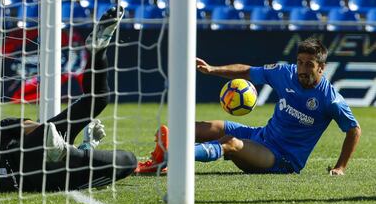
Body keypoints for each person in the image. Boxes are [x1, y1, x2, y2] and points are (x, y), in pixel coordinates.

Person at [136, 37, 361, 175]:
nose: (302, 69)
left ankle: (175, 155)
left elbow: (353, 129)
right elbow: (247, 71)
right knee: (195, 128)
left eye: (309, 65)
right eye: (300, 62)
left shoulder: (330, 99)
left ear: (321, 67)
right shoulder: (285, 73)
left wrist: (340, 167)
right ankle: (162, 156)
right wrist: (212, 69)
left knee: (230, 143)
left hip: (282, 159)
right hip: (260, 135)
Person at [0, 6, 138, 192]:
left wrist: (85, 147)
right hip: (35, 154)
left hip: (53, 181)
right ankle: (97, 53)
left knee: (129, 160)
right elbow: (31, 129)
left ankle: (76, 151)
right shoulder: (0, 134)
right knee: (96, 100)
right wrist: (51, 135)